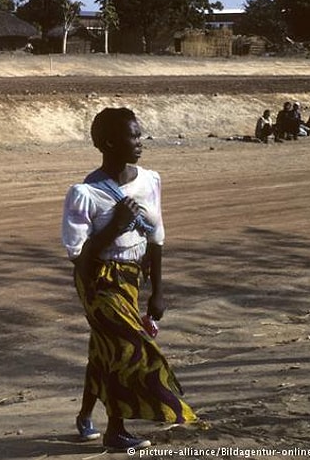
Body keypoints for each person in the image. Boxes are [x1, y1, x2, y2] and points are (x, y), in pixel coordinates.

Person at [61, 107, 196, 451]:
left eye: (139, 134)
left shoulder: (150, 180)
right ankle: (117, 430)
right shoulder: (84, 193)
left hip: (132, 278)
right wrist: (116, 226)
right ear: (108, 142)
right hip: (97, 281)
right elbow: (78, 256)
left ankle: (84, 416)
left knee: (104, 351)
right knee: (127, 349)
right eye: (132, 136)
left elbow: (157, 237)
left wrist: (158, 293)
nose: (140, 142)